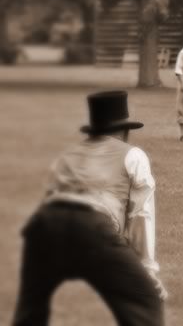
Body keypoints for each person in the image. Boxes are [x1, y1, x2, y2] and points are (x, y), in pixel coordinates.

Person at [13, 91, 167, 326]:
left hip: (43, 225)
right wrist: (148, 269)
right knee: (145, 301)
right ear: (124, 130)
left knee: (30, 312)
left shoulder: (68, 155)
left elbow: (51, 199)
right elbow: (141, 214)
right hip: (91, 225)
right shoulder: (133, 155)